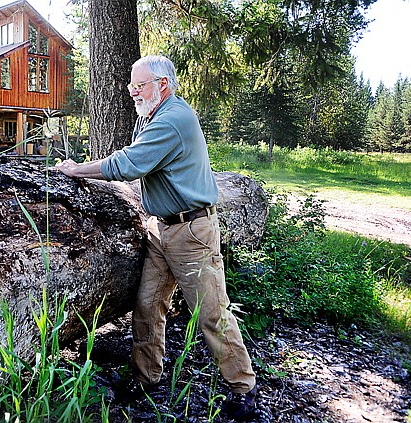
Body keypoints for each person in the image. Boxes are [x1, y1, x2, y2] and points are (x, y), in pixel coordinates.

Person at [56, 55, 257, 420]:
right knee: (148, 304)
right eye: (131, 84)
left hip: (191, 232)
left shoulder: (174, 119)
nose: (132, 91)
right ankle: (145, 375)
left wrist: (75, 170)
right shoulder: (150, 115)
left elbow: (129, 164)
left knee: (211, 313)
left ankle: (243, 388)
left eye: (140, 85)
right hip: (161, 228)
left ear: (162, 84)